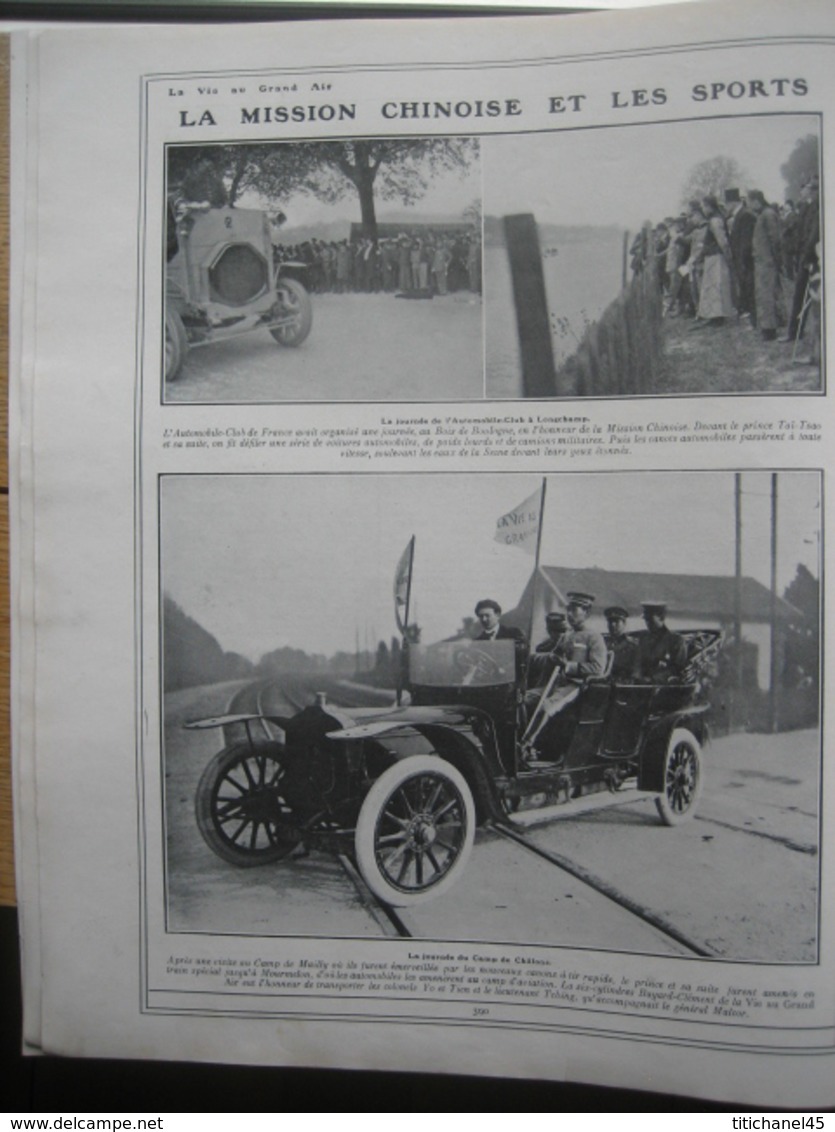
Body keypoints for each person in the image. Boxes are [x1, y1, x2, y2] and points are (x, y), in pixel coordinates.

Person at [522, 592, 607, 756]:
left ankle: (526, 745)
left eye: (574, 611)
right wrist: (551, 657)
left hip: (576, 686)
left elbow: (597, 668)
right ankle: (524, 742)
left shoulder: (594, 638)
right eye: (568, 610)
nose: (569, 615)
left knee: (546, 708)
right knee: (523, 700)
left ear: (586, 613)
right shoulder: (567, 636)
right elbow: (554, 656)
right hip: (556, 684)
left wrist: (568, 666)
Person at [692, 195, 735, 328]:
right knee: (713, 286)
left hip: (716, 256)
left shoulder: (715, 220)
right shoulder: (714, 219)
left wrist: (727, 255)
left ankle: (717, 316)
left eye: (704, 206)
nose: (703, 209)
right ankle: (714, 314)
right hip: (712, 256)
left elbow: (722, 240)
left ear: (709, 206)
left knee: (716, 286)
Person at [749, 189, 783, 341]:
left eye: (750, 202)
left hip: (767, 262)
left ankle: (770, 330)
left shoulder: (767, 214)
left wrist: (775, 259)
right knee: (764, 295)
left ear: (756, 200)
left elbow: (775, 239)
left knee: (767, 295)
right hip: (762, 261)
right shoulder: (763, 215)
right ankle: (769, 326)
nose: (749, 206)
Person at [636, 602, 688, 683]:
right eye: (646, 620)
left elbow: (678, 668)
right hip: (643, 686)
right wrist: (637, 677)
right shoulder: (643, 639)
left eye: (650, 620)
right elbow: (638, 663)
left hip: (665, 687)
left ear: (661, 617)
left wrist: (653, 679)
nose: (647, 623)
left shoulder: (676, 640)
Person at [527, 610, 569, 687]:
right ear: (549, 631)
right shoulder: (542, 647)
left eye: (564, 631)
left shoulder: (569, 644)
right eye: (558, 631)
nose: (562, 635)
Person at [603, 605, 639, 681]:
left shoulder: (632, 645)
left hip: (623, 684)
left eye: (616, 621)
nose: (612, 625)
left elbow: (636, 670)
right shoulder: (602, 643)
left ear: (624, 623)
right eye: (610, 621)